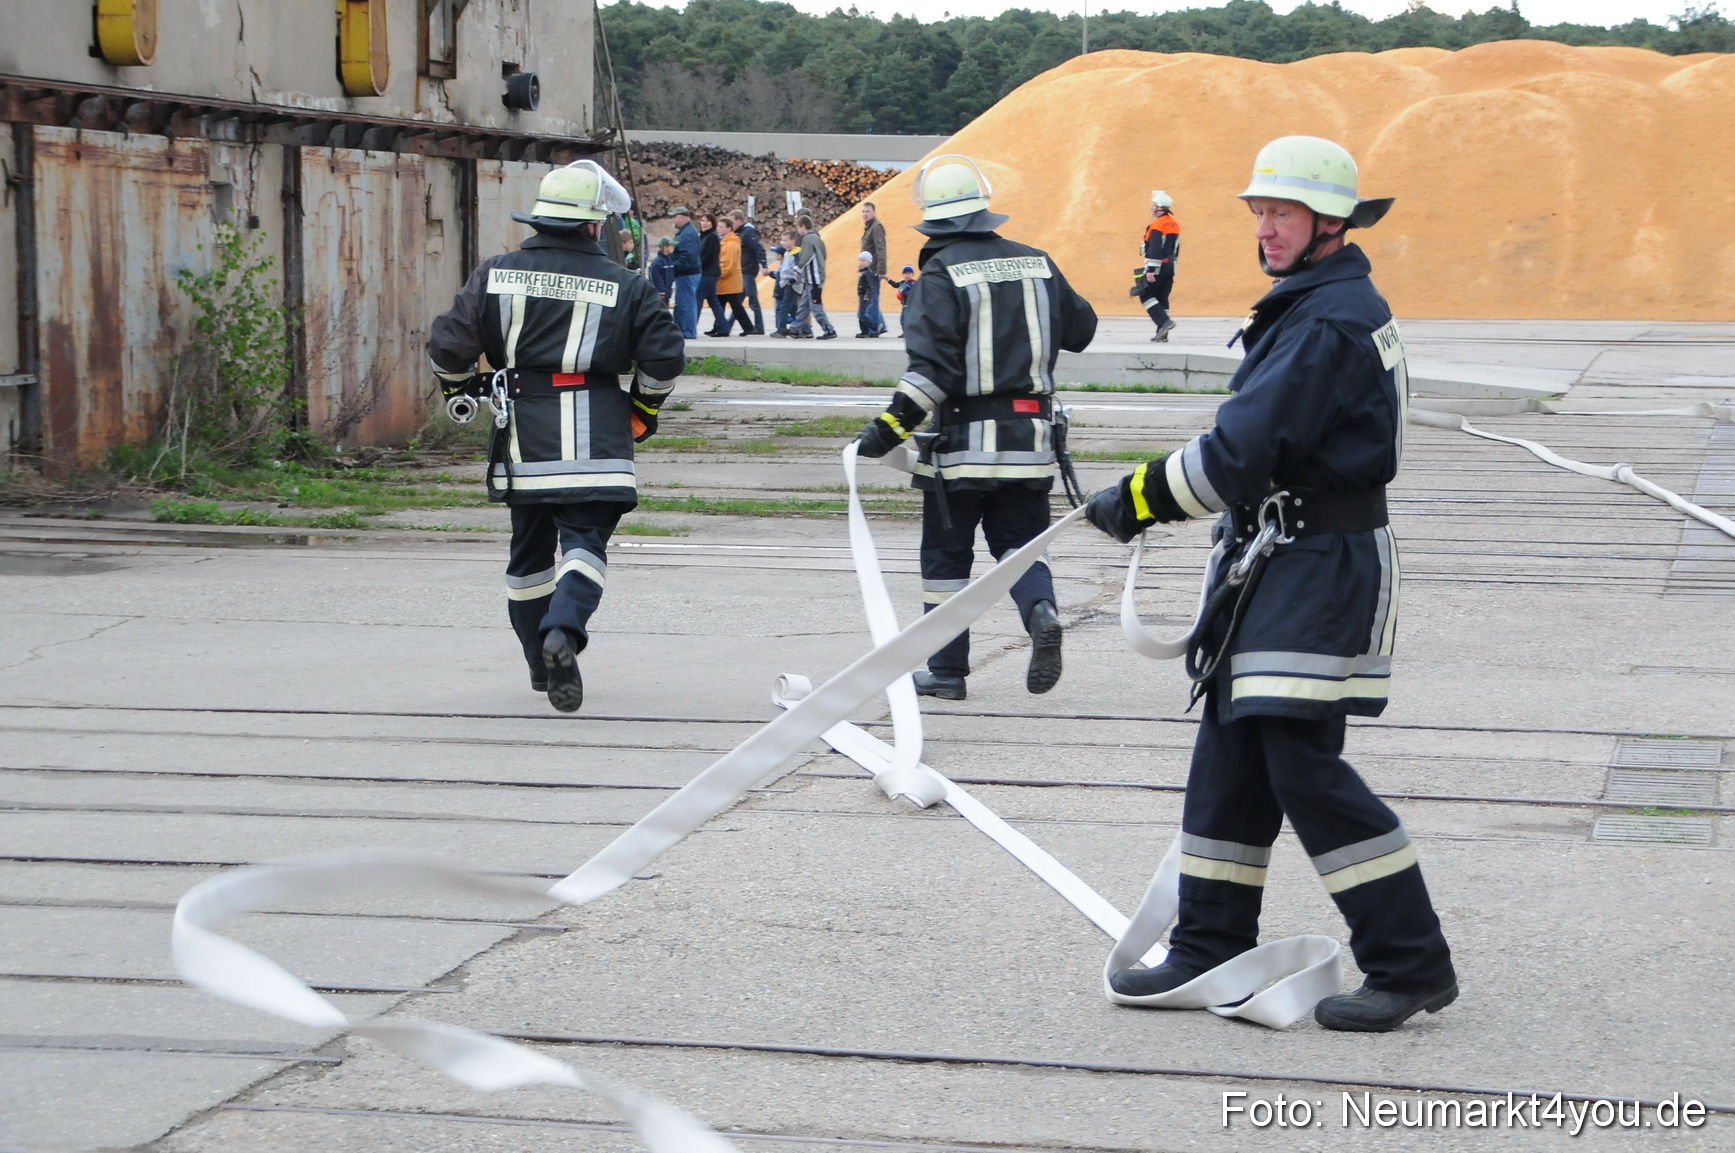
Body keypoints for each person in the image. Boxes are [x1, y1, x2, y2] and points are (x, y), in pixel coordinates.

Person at [1083, 136, 1456, 1032]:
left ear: (1331, 223)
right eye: (1259, 211)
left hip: (1317, 564)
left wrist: (1136, 496)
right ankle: (1209, 940)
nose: (1266, 227)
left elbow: (1244, 451)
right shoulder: (1314, 304)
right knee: (1231, 748)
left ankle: (1409, 962)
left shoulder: (1326, 319)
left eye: (1282, 213)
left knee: (1298, 761)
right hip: (1277, 559)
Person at [429, 161, 685, 713]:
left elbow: (449, 344)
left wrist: (457, 390)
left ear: (542, 219)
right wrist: (641, 408)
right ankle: (563, 633)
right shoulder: (628, 285)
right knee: (585, 544)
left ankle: (537, 663)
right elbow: (665, 357)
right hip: (597, 437)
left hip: (523, 437)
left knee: (528, 556)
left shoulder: (496, 273)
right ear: (594, 226)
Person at [852, 155, 1096, 700]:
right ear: (985, 211)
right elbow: (1083, 329)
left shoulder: (939, 275)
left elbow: (931, 372)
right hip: (1030, 442)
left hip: (961, 448)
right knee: (1019, 543)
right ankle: (1041, 611)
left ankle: (946, 672)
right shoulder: (1037, 262)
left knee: (946, 559)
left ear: (933, 222)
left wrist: (887, 430)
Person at [1138, 190, 1180, 341]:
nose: (1152, 208)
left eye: (1154, 205)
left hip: (1158, 266)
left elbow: (1155, 249)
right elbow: (1175, 249)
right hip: (1170, 267)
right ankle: (1162, 335)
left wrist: (1151, 270)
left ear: (1160, 207)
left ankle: (1164, 322)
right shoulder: (1174, 224)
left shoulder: (1158, 224)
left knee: (1145, 294)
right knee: (1162, 298)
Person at [793, 214, 837, 339]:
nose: (797, 231)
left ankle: (829, 330)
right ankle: (795, 328)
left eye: (798, 227)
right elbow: (824, 254)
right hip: (813, 278)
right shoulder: (817, 238)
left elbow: (806, 256)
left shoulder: (807, 239)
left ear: (802, 226)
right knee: (804, 305)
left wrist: (797, 269)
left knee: (815, 306)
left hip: (814, 279)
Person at [714, 216, 755, 336]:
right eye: (718, 227)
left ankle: (723, 328)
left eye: (721, 227)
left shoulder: (731, 244)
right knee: (728, 305)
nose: (719, 229)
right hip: (727, 281)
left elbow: (729, 264)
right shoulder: (725, 241)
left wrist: (719, 274)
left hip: (728, 280)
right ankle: (719, 327)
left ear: (729, 228)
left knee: (731, 305)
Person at [729, 209, 768, 335]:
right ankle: (728, 326)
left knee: (752, 298)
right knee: (737, 301)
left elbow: (759, 249)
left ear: (739, 220)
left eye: (732, 222)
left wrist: (764, 265)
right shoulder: (739, 233)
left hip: (748, 270)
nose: (731, 225)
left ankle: (759, 327)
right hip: (742, 270)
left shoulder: (748, 232)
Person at [670, 207, 702, 338]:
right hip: (685, 274)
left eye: (675, 217)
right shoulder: (684, 232)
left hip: (687, 273)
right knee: (682, 303)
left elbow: (688, 256)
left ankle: (688, 332)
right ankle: (680, 330)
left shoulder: (687, 234)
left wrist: (673, 267)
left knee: (687, 304)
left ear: (683, 217)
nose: (673, 219)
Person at [859, 201, 888, 336]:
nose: (865, 214)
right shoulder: (869, 227)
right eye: (863, 211)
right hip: (868, 269)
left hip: (874, 269)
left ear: (874, 212)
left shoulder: (876, 227)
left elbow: (880, 249)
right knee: (872, 298)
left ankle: (873, 328)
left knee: (872, 299)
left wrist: (881, 270)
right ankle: (880, 325)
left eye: (868, 211)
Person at [697, 212, 727, 337]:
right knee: (713, 301)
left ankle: (691, 326)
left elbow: (709, 256)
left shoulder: (712, 237)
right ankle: (723, 327)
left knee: (697, 300)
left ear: (712, 223)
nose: (704, 223)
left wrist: (698, 266)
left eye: (707, 221)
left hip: (708, 273)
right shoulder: (703, 236)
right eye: (703, 220)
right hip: (708, 273)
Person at [855, 251, 882, 338]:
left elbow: (871, 286)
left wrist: (867, 295)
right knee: (860, 315)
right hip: (862, 296)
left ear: (869, 262)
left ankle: (874, 326)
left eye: (864, 261)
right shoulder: (864, 272)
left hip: (866, 297)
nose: (861, 262)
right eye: (860, 260)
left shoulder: (868, 273)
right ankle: (864, 331)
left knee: (862, 315)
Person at [886, 264, 916, 335]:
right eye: (905, 273)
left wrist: (902, 293)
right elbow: (896, 285)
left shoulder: (913, 283)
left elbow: (910, 293)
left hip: (910, 305)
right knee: (902, 320)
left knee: (907, 320)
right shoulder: (903, 283)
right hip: (904, 305)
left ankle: (909, 333)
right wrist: (888, 279)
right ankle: (905, 332)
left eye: (909, 273)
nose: (907, 275)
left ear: (912, 274)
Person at [648, 236, 677, 305]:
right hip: (660, 295)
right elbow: (656, 278)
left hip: (667, 293)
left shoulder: (670, 260)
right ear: (665, 247)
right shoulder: (657, 262)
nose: (673, 247)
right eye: (671, 246)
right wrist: (661, 292)